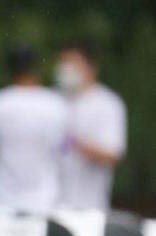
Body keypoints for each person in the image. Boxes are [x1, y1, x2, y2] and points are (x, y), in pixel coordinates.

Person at [0, 44, 68, 212]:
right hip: (44, 199)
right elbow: (63, 150)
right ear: (37, 69)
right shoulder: (56, 104)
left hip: (0, 198)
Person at [54, 43, 127, 210]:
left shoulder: (107, 104)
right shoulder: (51, 100)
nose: (66, 69)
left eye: (72, 63)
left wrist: (73, 142)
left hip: (89, 207)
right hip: (49, 205)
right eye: (63, 63)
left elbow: (111, 155)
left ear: (91, 67)